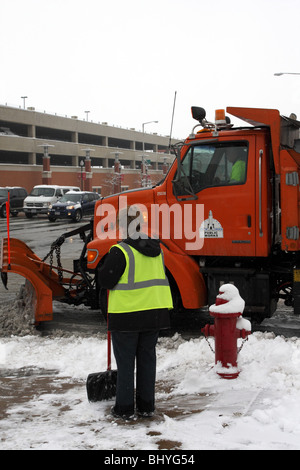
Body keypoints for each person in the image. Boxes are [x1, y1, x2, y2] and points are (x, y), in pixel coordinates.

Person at [97, 206, 173, 420]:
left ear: (123, 226)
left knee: (126, 363)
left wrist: (103, 269)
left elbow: (106, 281)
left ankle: (124, 409)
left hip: (127, 316)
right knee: (147, 361)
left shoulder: (120, 251)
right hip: (154, 314)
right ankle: (147, 406)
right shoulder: (157, 250)